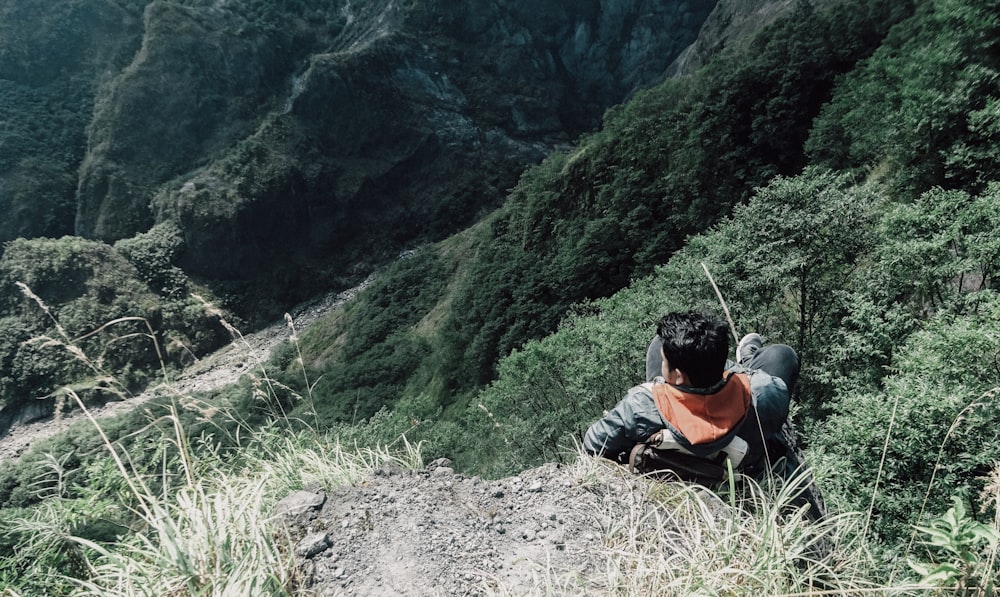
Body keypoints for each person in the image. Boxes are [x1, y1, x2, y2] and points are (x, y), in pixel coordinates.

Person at [583, 310, 800, 479]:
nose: (662, 362)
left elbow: (593, 446)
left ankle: (704, 368)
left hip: (677, 464)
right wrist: (735, 370)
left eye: (664, 361)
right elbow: (772, 393)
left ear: (677, 375)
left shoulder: (640, 406)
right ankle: (742, 360)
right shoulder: (763, 393)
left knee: (659, 344)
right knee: (782, 356)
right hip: (743, 465)